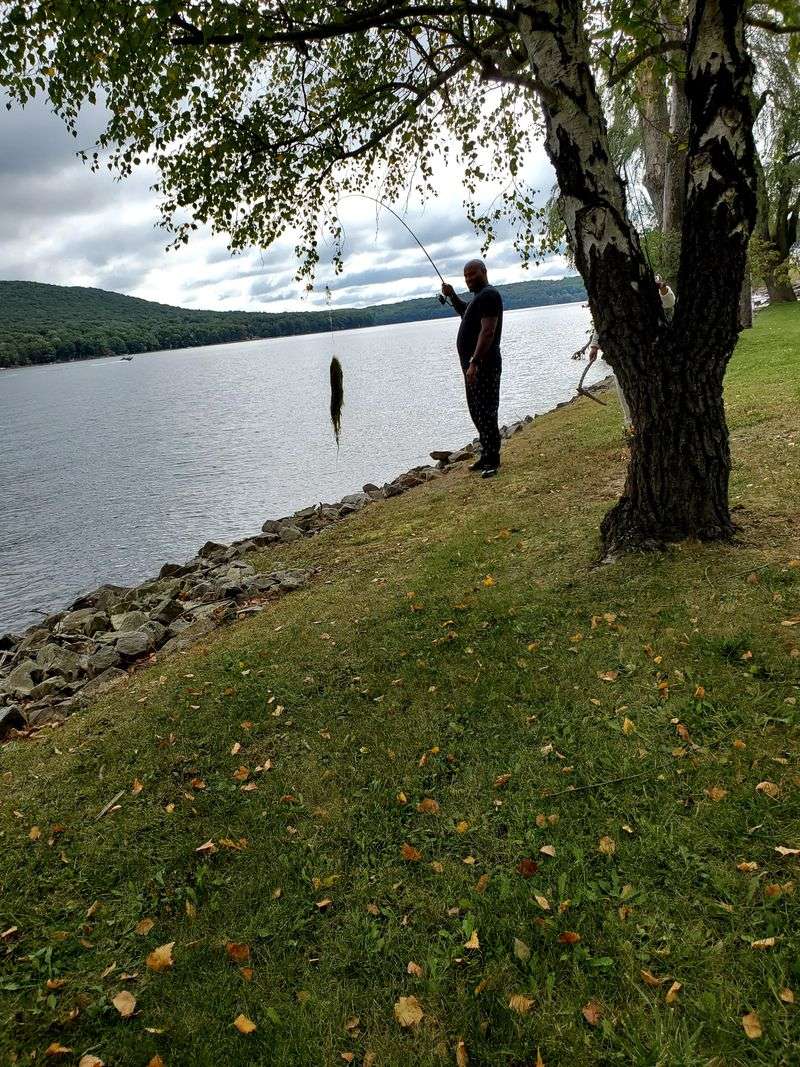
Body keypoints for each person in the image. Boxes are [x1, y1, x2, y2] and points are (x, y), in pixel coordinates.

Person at [441, 259, 503, 478]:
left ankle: (493, 460)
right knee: (477, 412)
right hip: (473, 367)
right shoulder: (479, 297)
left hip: (484, 365)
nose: (468, 279)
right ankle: (486, 455)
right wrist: (452, 295)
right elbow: (464, 311)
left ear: (484, 271)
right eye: (465, 275)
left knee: (486, 411)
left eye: (472, 274)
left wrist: (474, 362)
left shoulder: (489, 295)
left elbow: (488, 331)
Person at [587, 326, 633, 432]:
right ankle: (631, 424)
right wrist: (594, 346)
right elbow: (600, 324)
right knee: (622, 388)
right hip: (619, 354)